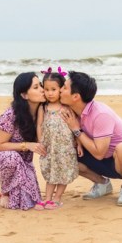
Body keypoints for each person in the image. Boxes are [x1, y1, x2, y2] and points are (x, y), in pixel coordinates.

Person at [58, 71, 122, 207]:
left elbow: (99, 153)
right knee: (63, 155)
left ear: (75, 96)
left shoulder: (100, 114)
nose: (60, 90)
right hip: (104, 160)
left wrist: (76, 130)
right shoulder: (71, 109)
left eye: (64, 88)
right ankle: (102, 184)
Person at [0, 72, 46, 210]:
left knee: (31, 200)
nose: (42, 89)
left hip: (23, 161)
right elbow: (1, 145)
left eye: (40, 85)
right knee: (12, 157)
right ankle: (4, 191)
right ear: (24, 95)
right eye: (36, 87)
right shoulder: (11, 115)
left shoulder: (43, 111)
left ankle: (14, 188)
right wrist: (27, 145)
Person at [34, 67, 77, 209]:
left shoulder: (66, 107)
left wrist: (79, 144)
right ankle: (47, 198)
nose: (50, 93)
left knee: (64, 172)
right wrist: (40, 142)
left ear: (61, 89)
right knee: (51, 173)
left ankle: (57, 198)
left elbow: (75, 126)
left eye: (53, 89)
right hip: (49, 147)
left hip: (65, 148)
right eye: (46, 89)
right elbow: (39, 125)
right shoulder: (43, 108)